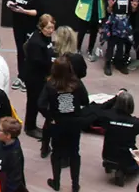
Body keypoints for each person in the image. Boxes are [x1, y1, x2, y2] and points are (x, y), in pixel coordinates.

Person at [39, 55, 89, 191]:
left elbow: (41, 104)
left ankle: (56, 182)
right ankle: (75, 184)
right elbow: (85, 100)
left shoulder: (50, 85)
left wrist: (49, 117)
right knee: (74, 153)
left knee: (57, 153)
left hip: (57, 124)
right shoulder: (77, 84)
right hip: (74, 123)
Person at [5, 0, 40, 92]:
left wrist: (24, 11)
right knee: (20, 50)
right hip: (18, 25)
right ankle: (21, 76)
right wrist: (10, 4)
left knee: (29, 52)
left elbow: (38, 12)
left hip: (31, 25)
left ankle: (28, 77)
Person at [97, 90, 139, 186]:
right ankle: (123, 170)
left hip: (108, 153)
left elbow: (99, 110)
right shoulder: (136, 122)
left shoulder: (107, 117)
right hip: (126, 155)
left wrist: (114, 98)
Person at [22, 14, 55, 140]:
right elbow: (38, 62)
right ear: (41, 27)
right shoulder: (36, 42)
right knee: (33, 102)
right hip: (34, 77)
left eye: (52, 28)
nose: (51, 31)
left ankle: (33, 125)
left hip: (41, 75)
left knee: (37, 101)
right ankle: (30, 127)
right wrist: (52, 64)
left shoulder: (46, 38)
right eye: (48, 28)